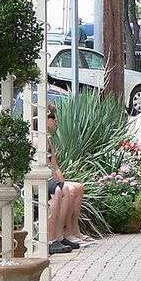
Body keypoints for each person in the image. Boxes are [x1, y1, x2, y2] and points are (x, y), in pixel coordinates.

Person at [45, 104, 96, 255]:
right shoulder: (38, 140)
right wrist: (61, 184)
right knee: (65, 189)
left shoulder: (48, 140)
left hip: (50, 180)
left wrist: (61, 181)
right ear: (46, 118)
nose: (57, 122)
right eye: (54, 118)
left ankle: (72, 232)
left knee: (77, 187)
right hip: (43, 181)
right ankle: (54, 237)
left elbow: (55, 167)